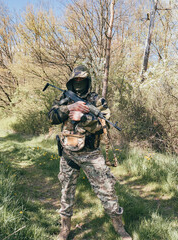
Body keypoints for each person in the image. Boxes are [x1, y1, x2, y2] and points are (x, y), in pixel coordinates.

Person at [48, 65, 132, 240]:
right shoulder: (64, 98)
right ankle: (64, 230)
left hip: (92, 154)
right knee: (66, 191)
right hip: (69, 153)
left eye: (82, 80)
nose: (79, 83)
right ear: (71, 82)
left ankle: (120, 228)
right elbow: (51, 116)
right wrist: (69, 109)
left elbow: (105, 126)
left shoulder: (97, 100)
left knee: (107, 189)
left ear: (88, 81)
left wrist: (83, 118)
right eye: (76, 80)